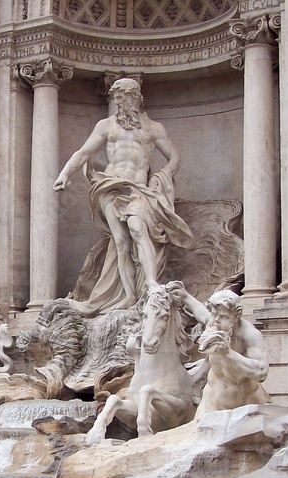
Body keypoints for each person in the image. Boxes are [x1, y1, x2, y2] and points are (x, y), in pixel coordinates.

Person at [54, 77, 195, 315]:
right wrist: (65, 174)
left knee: (138, 229)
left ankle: (151, 284)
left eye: (124, 97)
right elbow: (84, 152)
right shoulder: (106, 126)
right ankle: (129, 295)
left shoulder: (153, 128)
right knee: (120, 241)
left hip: (139, 189)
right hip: (110, 186)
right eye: (117, 98)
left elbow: (175, 157)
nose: (120, 103)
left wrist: (161, 176)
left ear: (136, 97)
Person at [168, 284, 269, 419]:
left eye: (222, 316)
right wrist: (184, 295)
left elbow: (261, 372)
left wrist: (228, 354)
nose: (215, 320)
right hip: (212, 401)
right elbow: (200, 311)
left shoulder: (249, 334)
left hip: (247, 402)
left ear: (236, 316)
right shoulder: (214, 322)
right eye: (214, 314)